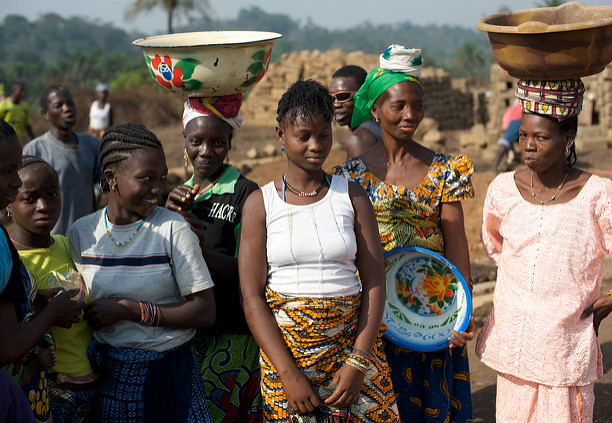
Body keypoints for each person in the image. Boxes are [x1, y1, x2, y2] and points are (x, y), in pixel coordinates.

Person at [476, 79, 612, 423]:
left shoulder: (599, 196)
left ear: (567, 139)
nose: (528, 146)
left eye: (541, 137)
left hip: (563, 343)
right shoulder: (503, 189)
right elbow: (495, 245)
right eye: (523, 136)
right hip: (514, 346)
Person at [239, 79, 400, 422]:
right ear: (280, 134)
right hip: (287, 362)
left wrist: (357, 362)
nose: (316, 145)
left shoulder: (352, 196)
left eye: (324, 135)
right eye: (303, 136)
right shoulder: (260, 205)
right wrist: (289, 375)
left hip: (351, 357)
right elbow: (251, 297)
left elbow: (374, 282)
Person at [331, 45, 476, 423]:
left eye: (417, 105)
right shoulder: (353, 174)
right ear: (375, 110)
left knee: (430, 403)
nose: (410, 115)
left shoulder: (444, 169)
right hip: (375, 313)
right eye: (398, 106)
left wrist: (463, 311)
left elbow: (457, 242)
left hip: (431, 313)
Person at [67, 123, 216, 422]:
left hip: (172, 376)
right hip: (112, 381)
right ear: (112, 178)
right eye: (146, 179)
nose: (158, 189)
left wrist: (130, 310)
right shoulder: (82, 234)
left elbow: (204, 311)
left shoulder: (173, 230)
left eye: (161, 178)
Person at [165, 95, 262, 422]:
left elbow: (253, 273)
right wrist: (165, 220)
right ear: (184, 141)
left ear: (230, 142)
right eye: (197, 141)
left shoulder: (246, 193)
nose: (206, 151)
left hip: (232, 332)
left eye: (217, 142)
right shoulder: (178, 197)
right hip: (187, 335)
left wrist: (201, 251)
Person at [0, 119, 84, 423]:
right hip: (33, 387)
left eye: (52, 194)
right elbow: (9, 344)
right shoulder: (6, 250)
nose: (44, 206)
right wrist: (51, 313)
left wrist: (37, 302)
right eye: (30, 197)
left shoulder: (68, 243)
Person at [23, 84, 101, 235]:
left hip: (87, 236)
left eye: (70, 103)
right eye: (59, 105)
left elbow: (102, 181)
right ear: (45, 113)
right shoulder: (36, 150)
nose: (67, 108)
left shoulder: (91, 145)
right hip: (52, 240)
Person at [329, 65, 382, 159]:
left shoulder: (359, 139)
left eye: (343, 96)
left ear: (363, 95)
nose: (335, 104)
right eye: (331, 98)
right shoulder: (375, 128)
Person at [492, 100, 523, 172]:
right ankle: (500, 167)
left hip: (517, 118)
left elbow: (506, 142)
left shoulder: (508, 119)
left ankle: (493, 169)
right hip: (520, 116)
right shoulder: (511, 112)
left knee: (503, 145)